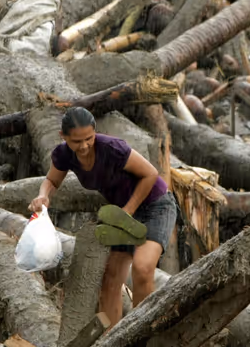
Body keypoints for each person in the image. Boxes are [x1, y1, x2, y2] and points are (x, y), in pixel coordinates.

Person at [28, 107, 177, 327]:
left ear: (95, 132)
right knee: (110, 277)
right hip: (121, 213)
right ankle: (108, 343)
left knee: (143, 268)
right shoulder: (63, 154)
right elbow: (51, 181)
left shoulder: (112, 148)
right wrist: (43, 196)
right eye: (77, 141)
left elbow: (150, 174)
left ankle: (142, 335)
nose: (84, 146)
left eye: (89, 138)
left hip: (154, 205)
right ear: (63, 137)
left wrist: (128, 210)